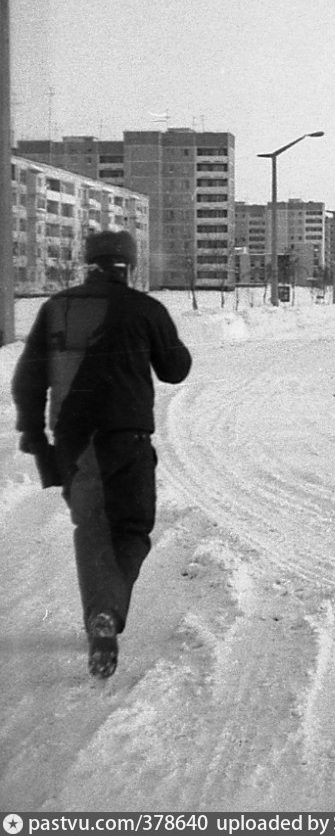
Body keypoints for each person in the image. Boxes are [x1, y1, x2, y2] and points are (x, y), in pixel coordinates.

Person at [11, 230, 192, 679]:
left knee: (91, 528)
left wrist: (37, 439)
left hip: (75, 444)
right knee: (132, 529)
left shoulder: (56, 308)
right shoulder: (145, 309)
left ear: (86, 263)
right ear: (129, 266)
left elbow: (27, 381)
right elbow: (176, 369)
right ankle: (109, 610)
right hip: (128, 439)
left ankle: (101, 616)